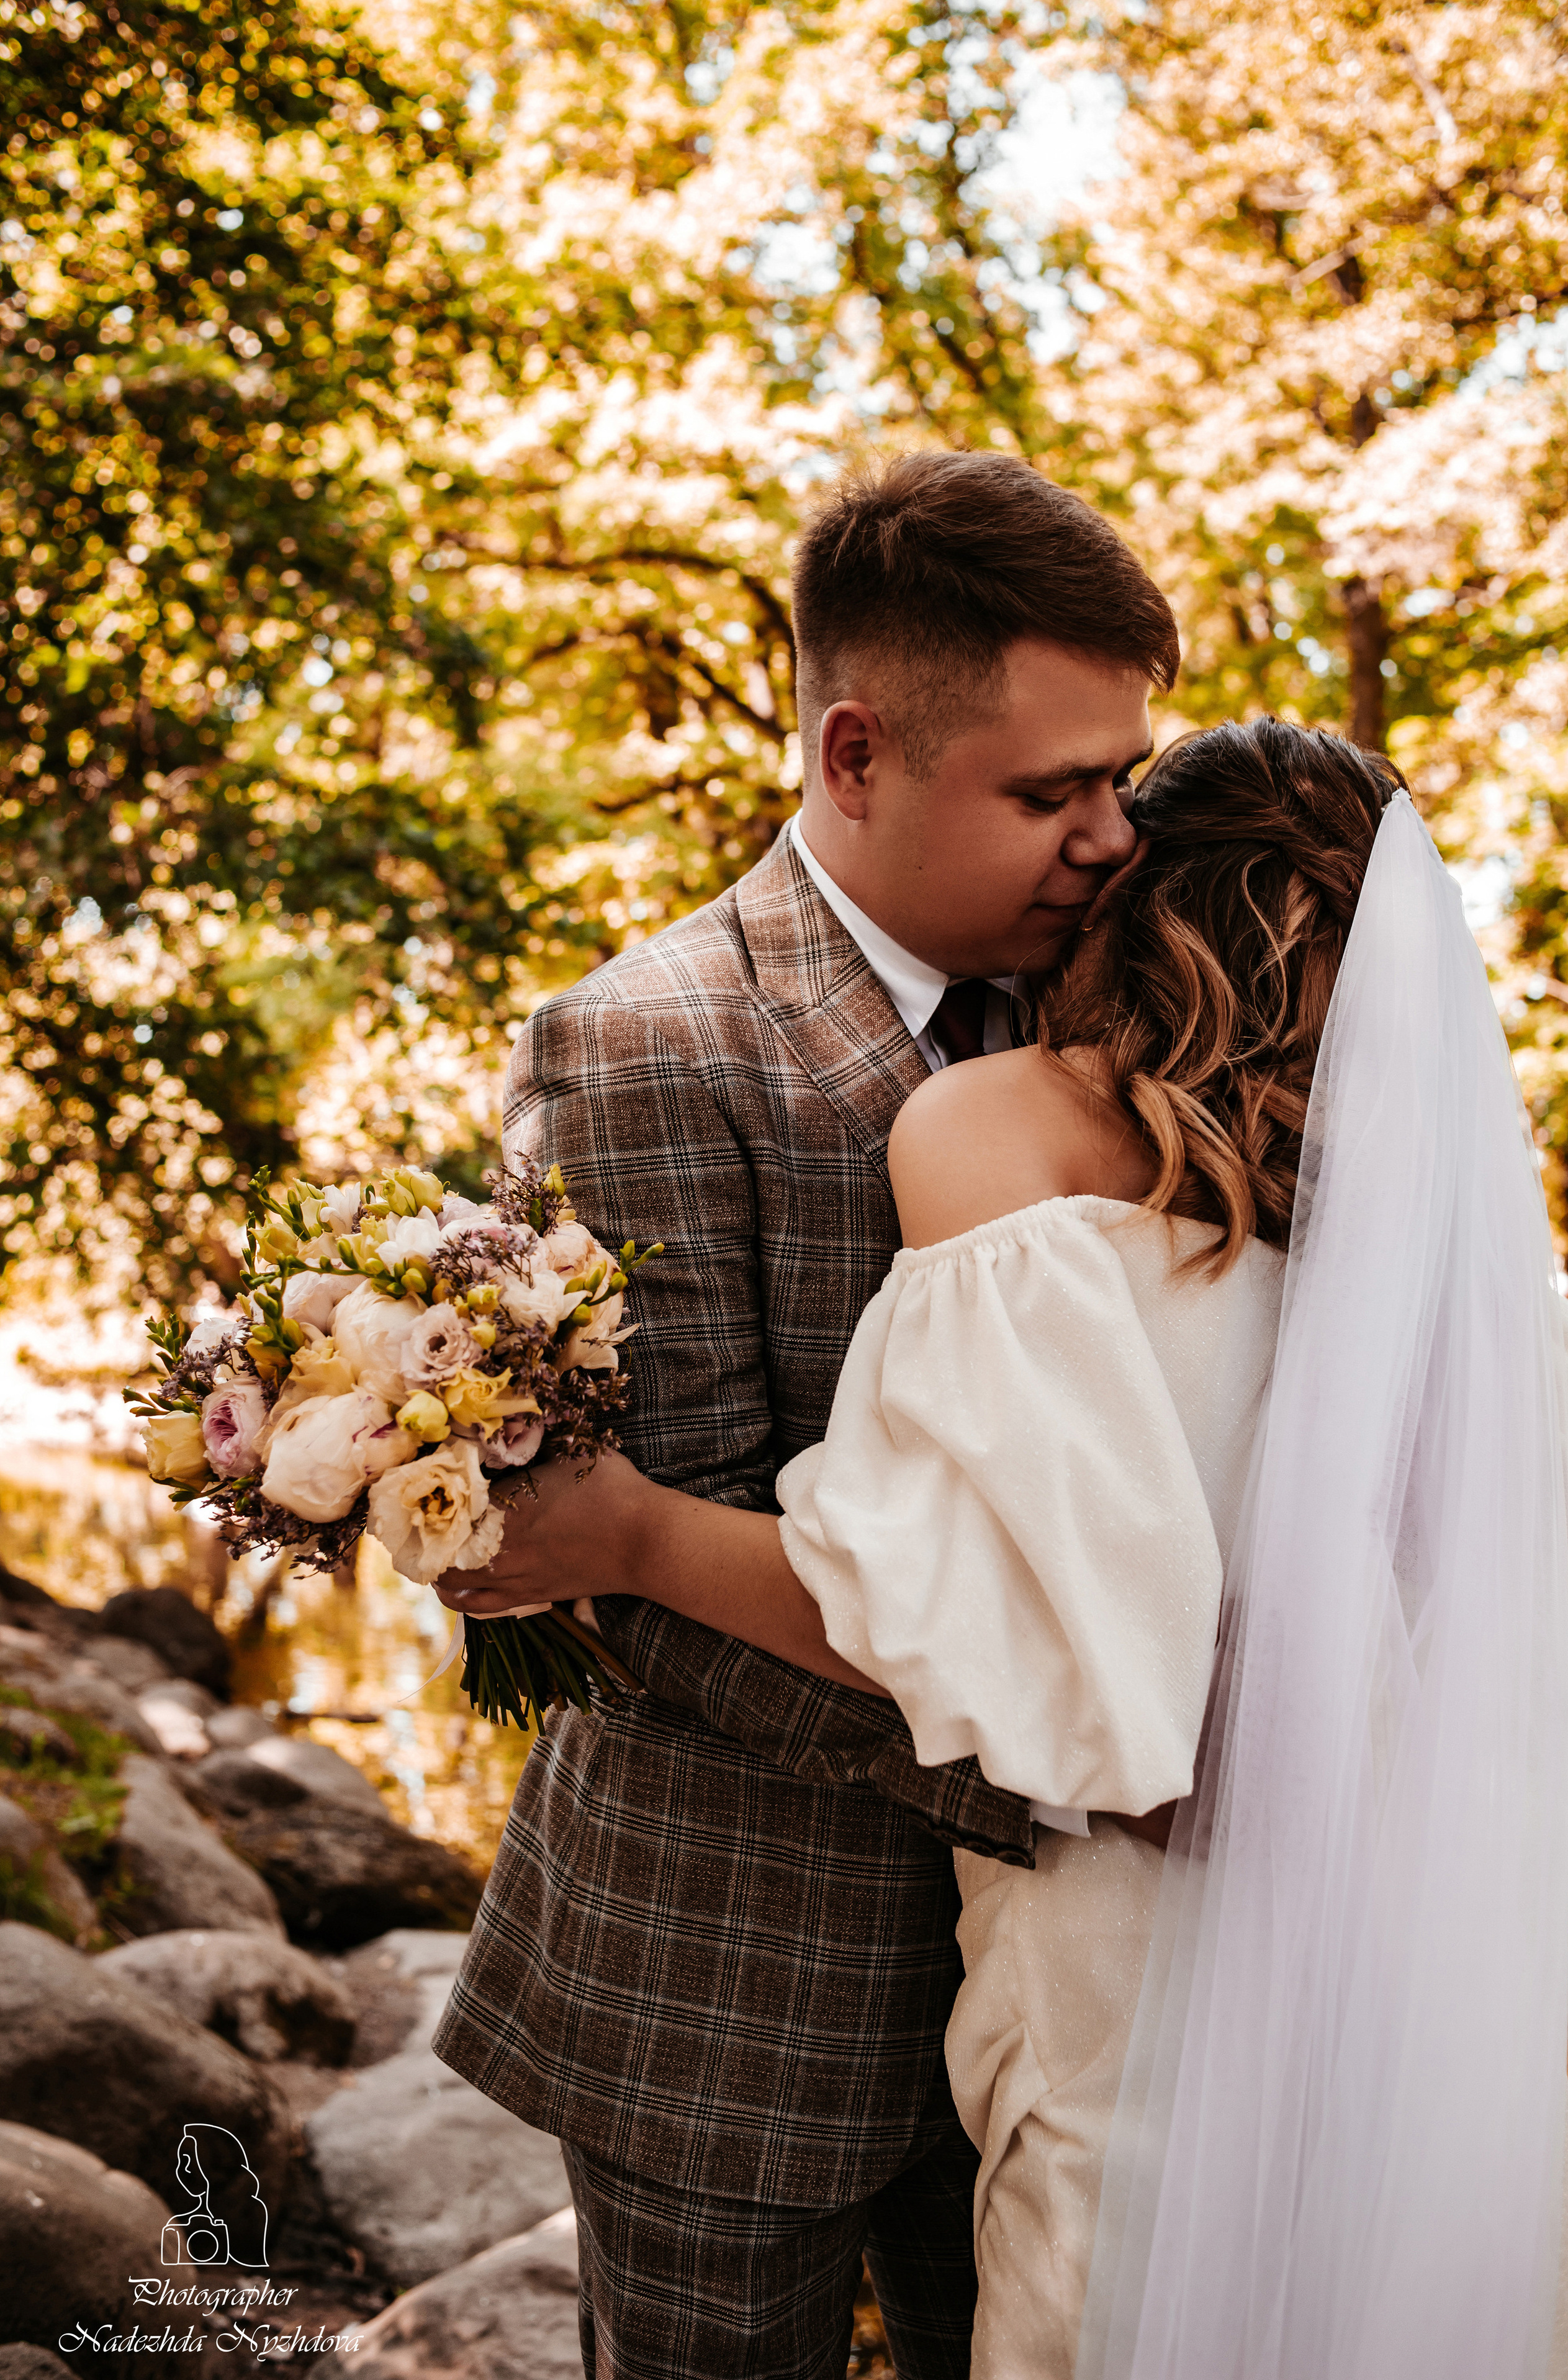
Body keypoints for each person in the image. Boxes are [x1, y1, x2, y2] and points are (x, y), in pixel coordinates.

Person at [441, 718, 1568, 2377]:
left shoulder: (1004, 1129)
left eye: (1110, 804)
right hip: (1396, 1940)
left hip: (1136, 1938)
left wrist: (625, 1527)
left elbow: (964, 1608)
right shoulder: (1438, 1242)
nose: (1086, 828)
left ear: (1140, 897)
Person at [431, 448, 1181, 2380]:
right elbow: (625, 1580)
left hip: (1049, 2006)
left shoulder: (1115, 1007)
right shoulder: (650, 1042)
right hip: (735, 1991)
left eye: (1125, 777)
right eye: (1051, 790)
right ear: (857, 753)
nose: (1112, 836)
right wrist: (1089, 1753)